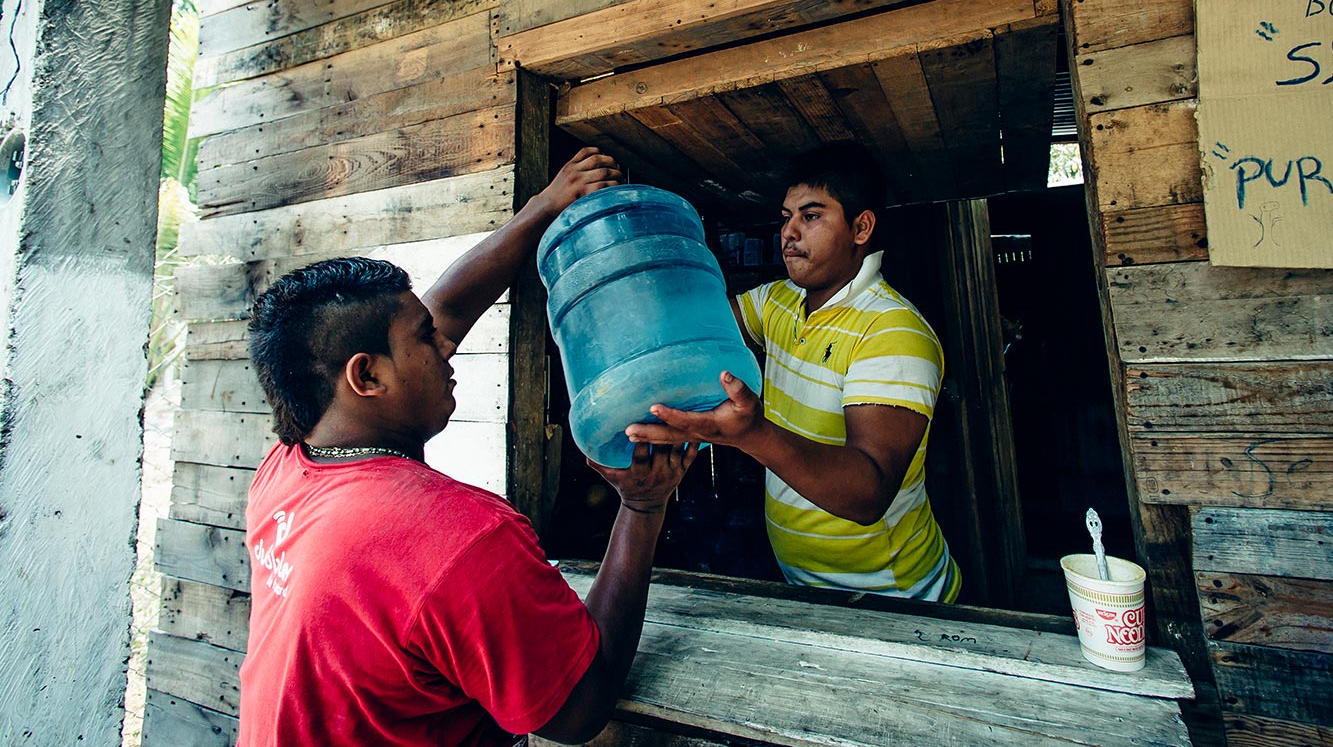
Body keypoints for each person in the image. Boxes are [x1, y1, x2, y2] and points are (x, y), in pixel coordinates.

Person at [237, 147, 699, 747]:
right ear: (367, 378)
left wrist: (544, 207)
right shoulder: (458, 537)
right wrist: (642, 508)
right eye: (425, 340)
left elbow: (449, 308)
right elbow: (578, 707)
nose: (446, 346)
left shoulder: (287, 470)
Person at [630, 142, 961, 603]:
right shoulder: (777, 302)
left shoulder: (893, 331)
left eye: (810, 216)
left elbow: (868, 493)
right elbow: (698, 331)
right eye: (786, 217)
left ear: (861, 227)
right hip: (803, 585)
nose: (787, 232)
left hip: (893, 597)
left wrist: (751, 433)